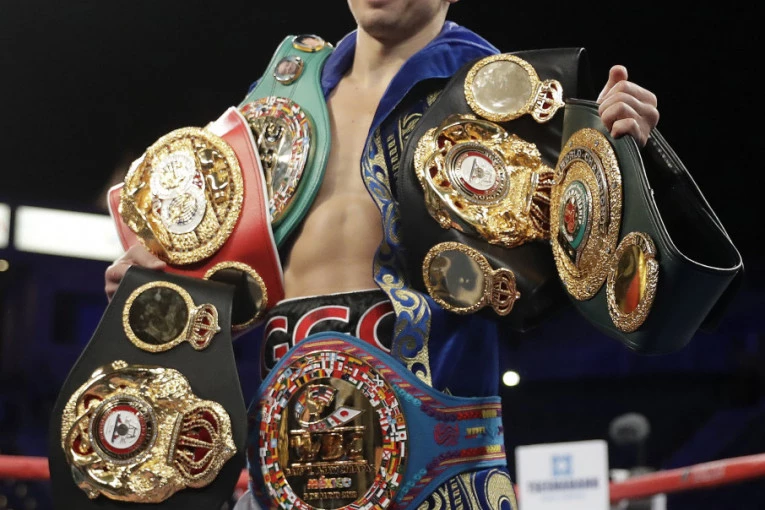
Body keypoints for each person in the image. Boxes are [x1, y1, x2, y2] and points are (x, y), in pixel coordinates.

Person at [104, 0, 659, 508]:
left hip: (437, 469)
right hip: (284, 459)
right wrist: (157, 290)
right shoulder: (279, 98)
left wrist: (622, 162)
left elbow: (601, 282)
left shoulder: (509, 95)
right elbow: (223, 286)